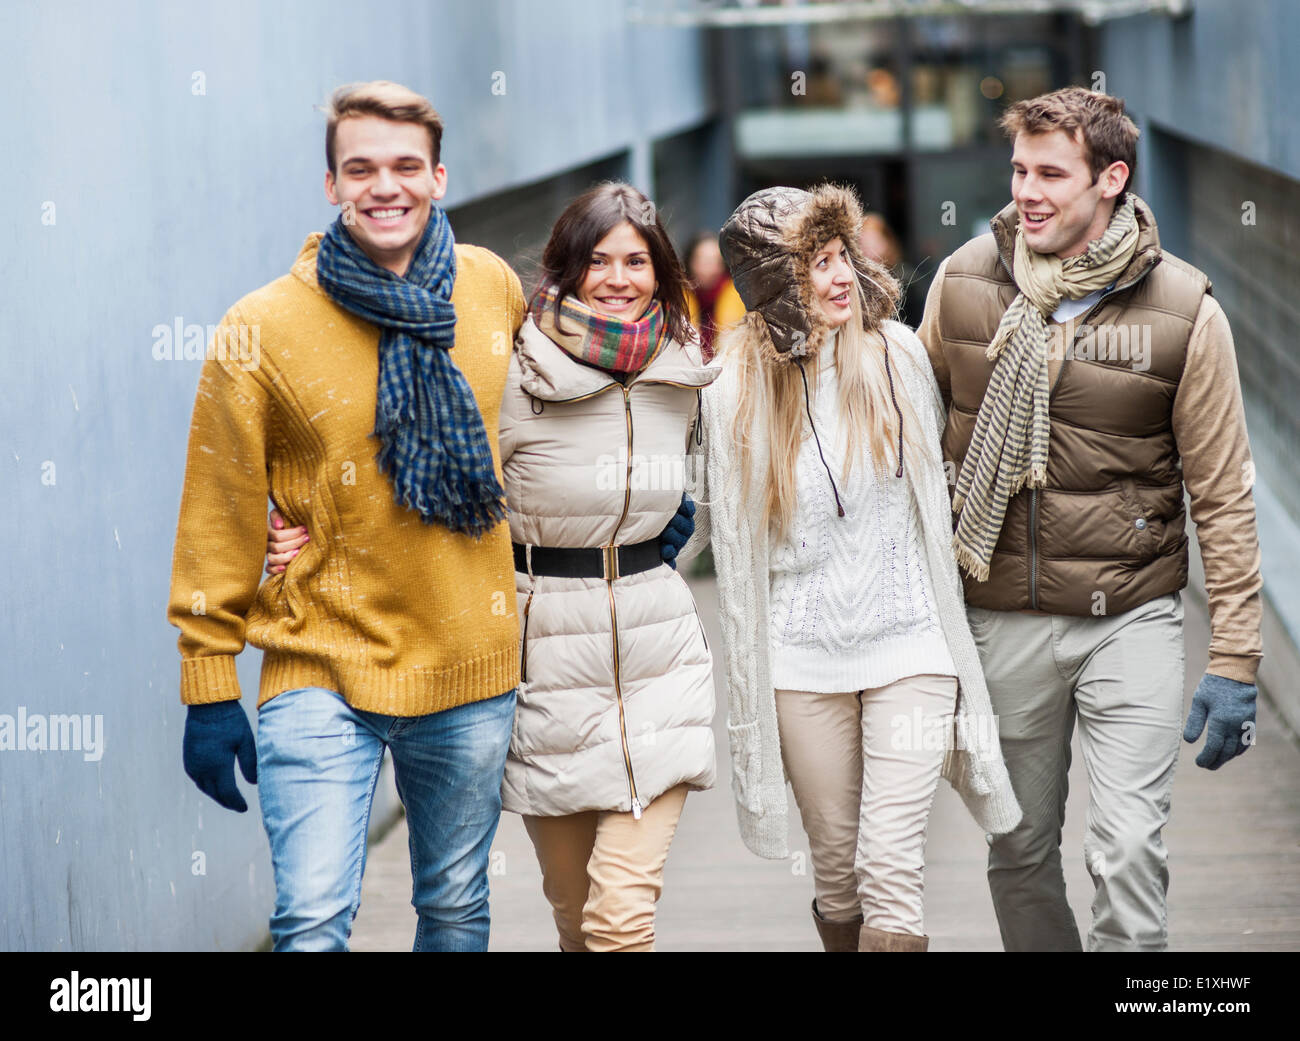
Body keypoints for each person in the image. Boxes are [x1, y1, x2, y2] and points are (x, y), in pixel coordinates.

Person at [268, 182, 714, 952]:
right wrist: (311, 531)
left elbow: (720, 473)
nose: (618, 278)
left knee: (620, 922)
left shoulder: (685, 372)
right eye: (598, 260)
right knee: (577, 923)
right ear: (564, 270)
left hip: (659, 659)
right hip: (544, 662)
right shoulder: (513, 372)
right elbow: (418, 477)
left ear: (661, 271)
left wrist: (675, 517)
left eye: (637, 261)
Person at [166, 81, 527, 952]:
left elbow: (555, 421)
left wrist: (646, 508)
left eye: (406, 166)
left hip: (468, 669)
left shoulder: (491, 289)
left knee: (453, 908)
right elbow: (217, 508)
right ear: (331, 185)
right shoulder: (259, 327)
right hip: (318, 661)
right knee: (313, 918)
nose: (384, 185)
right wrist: (210, 684)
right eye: (359, 167)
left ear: (438, 176)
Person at [915, 87, 1263, 952]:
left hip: (1131, 617)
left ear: (1112, 178)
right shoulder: (961, 287)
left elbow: (1222, 491)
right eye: (1017, 170)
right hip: (1001, 617)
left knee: (1128, 848)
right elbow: (903, 450)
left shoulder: (1186, 312)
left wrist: (1235, 657)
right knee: (1019, 851)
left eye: (1050, 174)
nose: (1026, 191)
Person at [678, 182, 1022, 952]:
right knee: (837, 875)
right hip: (801, 662)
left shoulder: (896, 356)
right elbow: (696, 522)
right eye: (814, 265)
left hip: (912, 646)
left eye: (840, 255)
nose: (840, 277)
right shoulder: (731, 392)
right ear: (773, 285)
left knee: (889, 865)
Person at [682, 232, 746, 362]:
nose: (709, 268)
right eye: (703, 261)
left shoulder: (739, 296)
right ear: (691, 263)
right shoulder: (679, 298)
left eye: (715, 261)